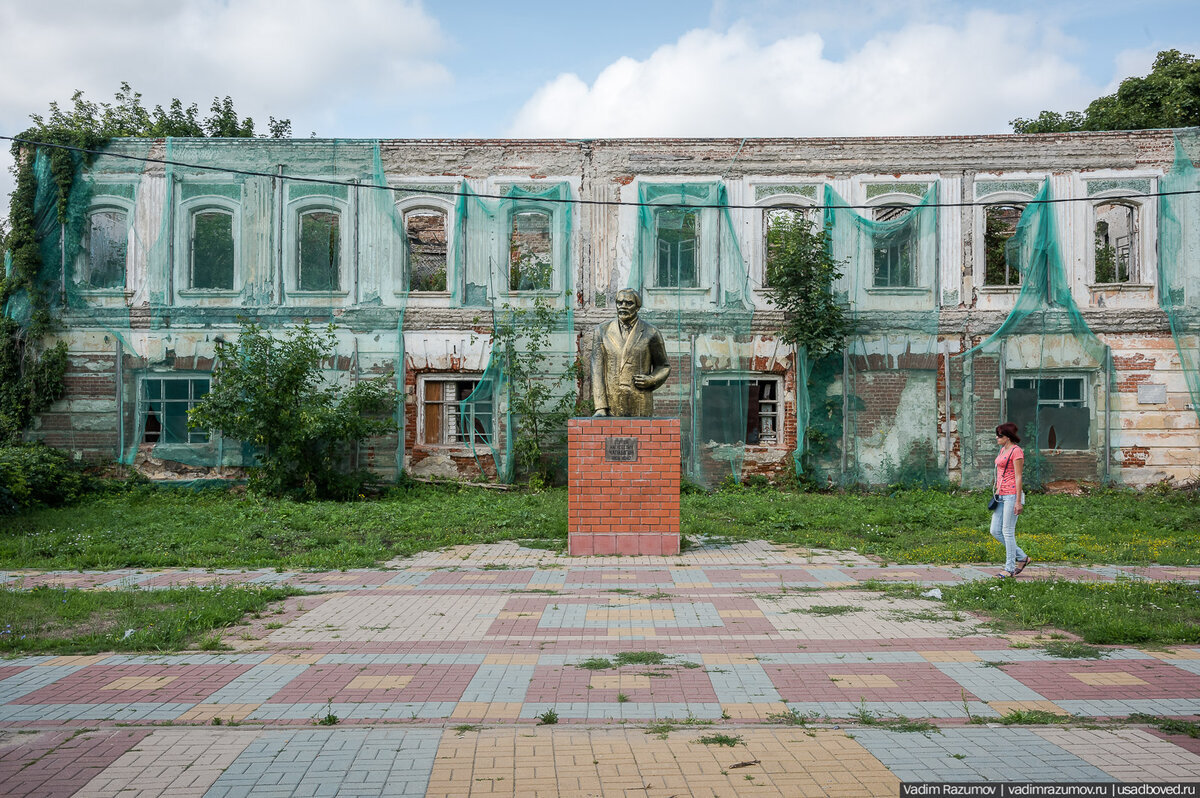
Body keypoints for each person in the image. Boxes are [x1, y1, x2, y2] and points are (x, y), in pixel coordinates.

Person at [591, 289, 670, 417]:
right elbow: (597, 370)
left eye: (628, 303)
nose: (623, 306)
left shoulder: (651, 332)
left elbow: (664, 366)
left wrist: (652, 379)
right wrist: (600, 407)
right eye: (620, 302)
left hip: (640, 400)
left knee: (641, 437)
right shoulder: (602, 331)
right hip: (612, 403)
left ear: (637, 307)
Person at [991, 422, 1032, 578]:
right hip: (1000, 494)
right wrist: (997, 490)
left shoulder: (1017, 452)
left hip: (1012, 495)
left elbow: (1018, 476)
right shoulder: (1003, 449)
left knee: (1007, 531)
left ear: (1007, 437)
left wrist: (1018, 501)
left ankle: (1009, 568)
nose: (997, 438)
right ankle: (1022, 557)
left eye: (999, 435)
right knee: (995, 530)